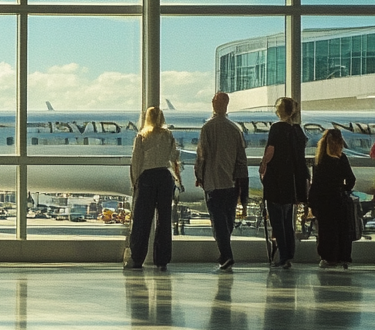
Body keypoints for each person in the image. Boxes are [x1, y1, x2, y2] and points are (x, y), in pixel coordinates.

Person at [194, 92, 249, 272]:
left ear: (213, 104)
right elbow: (241, 159)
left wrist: (199, 176)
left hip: (212, 181)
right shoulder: (235, 130)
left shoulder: (207, 128)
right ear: (227, 104)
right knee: (228, 220)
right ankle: (225, 254)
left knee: (217, 220)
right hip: (231, 182)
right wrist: (242, 185)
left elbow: (202, 155)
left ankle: (226, 255)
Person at [126, 106, 182, 272]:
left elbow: (136, 161)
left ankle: (137, 258)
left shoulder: (142, 136)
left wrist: (135, 182)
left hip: (147, 178)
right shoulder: (168, 135)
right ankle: (162, 259)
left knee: (142, 220)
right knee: (164, 220)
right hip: (164, 177)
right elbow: (174, 157)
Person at [259, 97, 309, 269]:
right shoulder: (297, 131)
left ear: (280, 110)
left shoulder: (277, 128)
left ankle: (282, 256)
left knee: (277, 221)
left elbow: (271, 151)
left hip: (276, 180)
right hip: (292, 183)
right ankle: (288, 255)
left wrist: (263, 165)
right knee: (288, 221)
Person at [309, 128, 357, 269]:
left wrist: (311, 202)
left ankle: (329, 258)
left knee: (326, 231)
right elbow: (351, 180)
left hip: (323, 201)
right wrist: (344, 190)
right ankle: (344, 257)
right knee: (342, 230)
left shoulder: (321, 161)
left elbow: (316, 184)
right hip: (339, 199)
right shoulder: (342, 159)